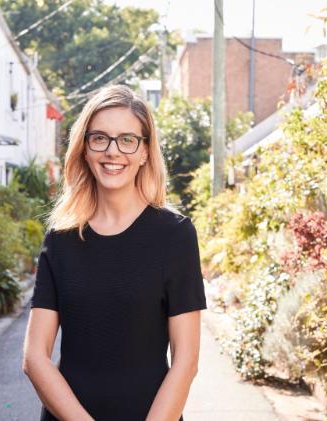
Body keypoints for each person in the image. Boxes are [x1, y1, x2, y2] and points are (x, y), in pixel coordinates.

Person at [22, 84, 207, 421]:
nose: (112, 151)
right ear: (85, 148)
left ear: (145, 152)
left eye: (127, 139)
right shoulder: (61, 238)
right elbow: (34, 357)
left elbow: (186, 360)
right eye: (99, 138)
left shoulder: (175, 235)